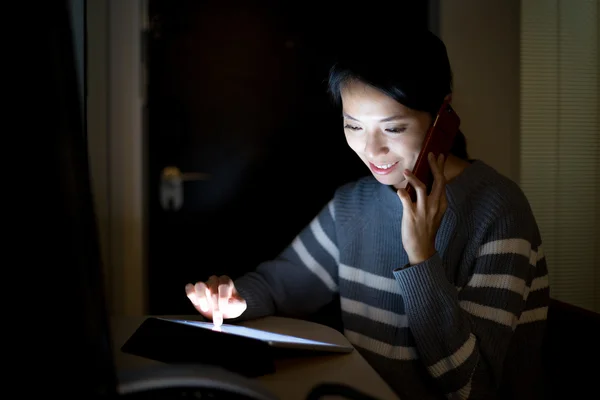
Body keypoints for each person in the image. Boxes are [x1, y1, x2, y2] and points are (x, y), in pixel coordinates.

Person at [185, 29, 549, 400]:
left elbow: (473, 389)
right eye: (354, 126)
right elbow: (278, 287)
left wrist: (422, 258)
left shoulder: (499, 211)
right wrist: (233, 299)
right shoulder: (353, 204)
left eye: (393, 128)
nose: (371, 149)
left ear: (443, 116)